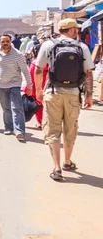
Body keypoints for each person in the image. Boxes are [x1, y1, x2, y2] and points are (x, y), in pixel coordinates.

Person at [34, 19, 94, 182]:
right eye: (76, 28)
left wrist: (38, 89)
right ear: (72, 30)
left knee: (52, 130)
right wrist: (89, 95)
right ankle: (67, 162)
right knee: (70, 128)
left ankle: (57, 167)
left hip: (52, 92)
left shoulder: (48, 45)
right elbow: (88, 72)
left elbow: (38, 69)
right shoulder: (81, 47)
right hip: (73, 93)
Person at [0, 34, 32, 142]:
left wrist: (29, 85)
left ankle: (19, 130)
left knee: (16, 107)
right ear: (0, 43)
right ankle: (8, 127)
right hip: (1, 85)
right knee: (6, 108)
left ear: (10, 42)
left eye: (7, 41)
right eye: (3, 42)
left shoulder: (18, 54)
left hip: (14, 84)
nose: (5, 44)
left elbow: (25, 70)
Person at [24, 38, 47, 129]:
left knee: (39, 106)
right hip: (47, 86)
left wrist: (27, 88)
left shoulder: (35, 63)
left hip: (37, 87)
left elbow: (30, 76)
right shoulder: (49, 62)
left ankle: (41, 122)